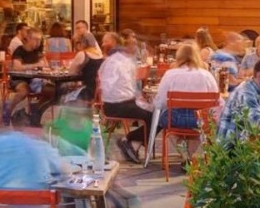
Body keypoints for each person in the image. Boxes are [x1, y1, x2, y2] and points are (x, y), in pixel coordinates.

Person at [154, 43, 219, 164]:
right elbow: (216, 101)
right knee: (199, 128)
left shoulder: (170, 74)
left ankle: (185, 156)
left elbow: (161, 102)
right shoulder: (207, 75)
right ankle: (190, 156)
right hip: (199, 120)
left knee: (166, 123)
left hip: (175, 119)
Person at [98, 32, 153, 164]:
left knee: (157, 113)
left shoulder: (123, 61)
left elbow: (129, 86)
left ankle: (133, 142)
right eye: (133, 47)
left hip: (123, 102)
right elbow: (108, 88)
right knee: (155, 117)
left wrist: (137, 99)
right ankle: (130, 141)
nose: (136, 51)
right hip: (115, 105)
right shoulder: (116, 62)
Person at [3, 27, 50, 126]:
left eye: (39, 40)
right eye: (35, 39)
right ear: (28, 38)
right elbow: (17, 67)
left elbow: (45, 64)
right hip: (18, 79)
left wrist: (44, 66)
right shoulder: (20, 50)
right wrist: (36, 65)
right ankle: (8, 109)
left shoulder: (38, 50)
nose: (38, 43)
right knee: (24, 90)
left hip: (34, 79)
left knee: (51, 90)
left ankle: (35, 112)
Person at [217, 60, 260, 141]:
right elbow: (256, 123)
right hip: (231, 149)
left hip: (246, 144)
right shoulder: (246, 92)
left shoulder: (255, 89)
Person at [66, 30, 104, 102]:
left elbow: (71, 73)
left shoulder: (83, 54)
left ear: (82, 43)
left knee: (63, 94)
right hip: (101, 92)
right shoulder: (100, 54)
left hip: (89, 92)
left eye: (77, 43)